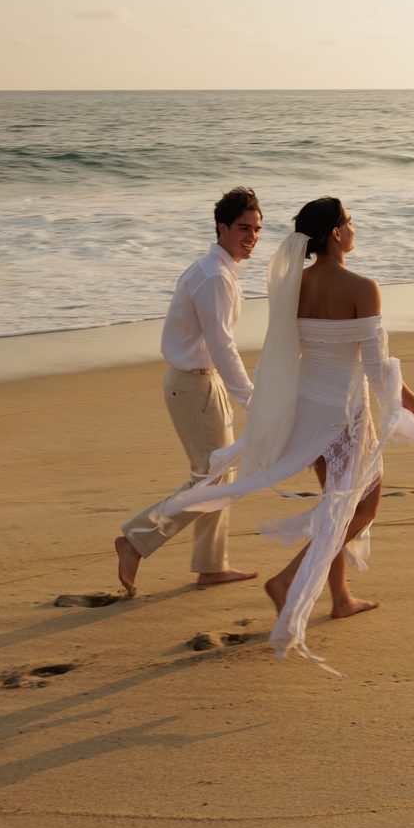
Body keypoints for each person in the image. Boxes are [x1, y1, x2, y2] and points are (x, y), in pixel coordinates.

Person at [157, 197, 414, 669]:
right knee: (359, 509)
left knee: (337, 504)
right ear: (333, 234)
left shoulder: (296, 285)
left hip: (307, 411)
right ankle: (288, 580)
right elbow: (375, 369)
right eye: (348, 223)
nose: (353, 229)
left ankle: (341, 596)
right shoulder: (362, 287)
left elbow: (286, 352)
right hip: (345, 417)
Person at [113, 187, 265, 596]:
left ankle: (211, 566)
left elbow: (219, 345)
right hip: (195, 384)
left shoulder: (217, 270)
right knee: (212, 478)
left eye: (256, 229)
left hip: (197, 381)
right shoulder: (215, 276)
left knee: (218, 474)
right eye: (243, 228)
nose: (251, 236)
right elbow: (222, 345)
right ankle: (135, 541)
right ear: (222, 228)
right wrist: (252, 399)